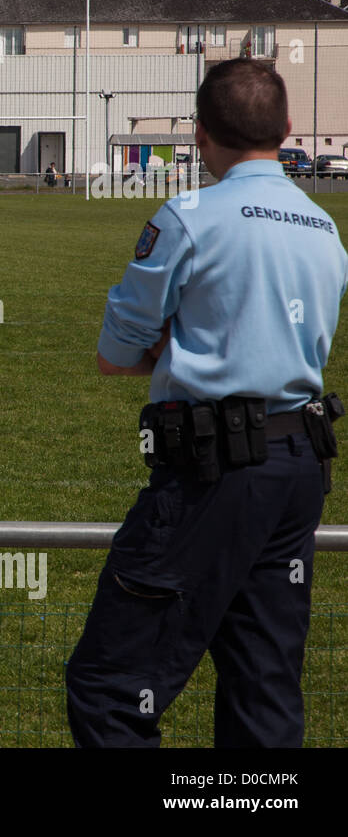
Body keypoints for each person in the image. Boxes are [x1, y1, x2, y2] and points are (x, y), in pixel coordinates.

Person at [66, 58, 348, 747]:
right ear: (286, 129)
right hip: (299, 466)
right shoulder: (323, 230)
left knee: (111, 688)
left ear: (199, 133)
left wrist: (178, 350)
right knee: (263, 688)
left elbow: (115, 352)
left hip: (213, 469)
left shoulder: (188, 218)